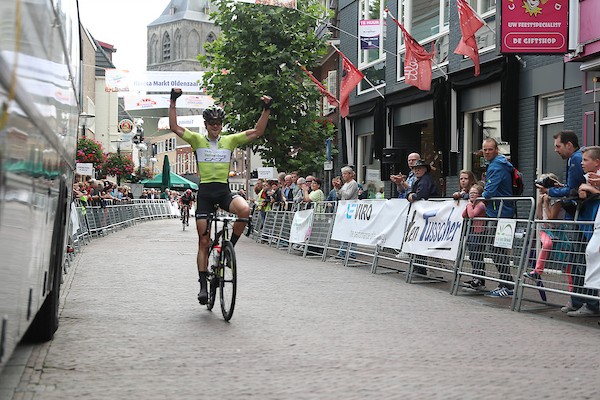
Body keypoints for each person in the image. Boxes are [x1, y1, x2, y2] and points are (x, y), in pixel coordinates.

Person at [169, 87, 272, 305]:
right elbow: (174, 127)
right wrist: (173, 102)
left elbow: (257, 132)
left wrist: (266, 109)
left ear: (221, 125)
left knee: (244, 210)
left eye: (218, 124)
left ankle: (229, 248)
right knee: (203, 241)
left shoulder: (230, 140)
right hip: (205, 192)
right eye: (211, 124)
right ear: (206, 125)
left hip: (223, 191)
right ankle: (203, 285)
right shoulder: (197, 140)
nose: (215, 127)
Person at [565, 146, 600, 317]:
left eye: (586, 160)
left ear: (597, 162)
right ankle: (579, 300)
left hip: (592, 226)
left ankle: (592, 304)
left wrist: (591, 190)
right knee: (577, 262)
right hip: (586, 224)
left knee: (588, 263)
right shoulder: (588, 178)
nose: (582, 163)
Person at [480, 138, 516, 298]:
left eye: (490, 149)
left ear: (496, 150)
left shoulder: (496, 166)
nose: (487, 152)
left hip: (500, 213)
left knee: (496, 249)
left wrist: (479, 196)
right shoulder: (497, 164)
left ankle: (507, 284)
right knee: (498, 249)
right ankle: (506, 283)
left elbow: (489, 192)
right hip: (501, 212)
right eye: (485, 150)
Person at [523, 173, 570, 281]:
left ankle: (574, 289)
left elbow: (551, 219)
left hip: (558, 231)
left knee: (567, 260)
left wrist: (545, 202)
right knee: (547, 244)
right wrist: (540, 204)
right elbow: (540, 218)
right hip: (545, 230)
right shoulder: (543, 198)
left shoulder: (556, 199)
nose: (540, 189)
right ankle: (537, 271)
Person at [538, 130, 586, 219]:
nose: (555, 150)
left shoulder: (575, 159)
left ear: (568, 145)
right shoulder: (578, 157)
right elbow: (576, 186)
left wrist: (548, 191)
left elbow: (572, 190)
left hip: (581, 211)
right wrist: (562, 186)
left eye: (558, 146)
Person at [462, 184, 487, 289]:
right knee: (472, 256)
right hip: (472, 231)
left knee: (477, 256)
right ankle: (475, 277)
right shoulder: (472, 204)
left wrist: (468, 205)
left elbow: (472, 215)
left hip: (479, 232)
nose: (471, 195)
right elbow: (464, 215)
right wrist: (469, 205)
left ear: (479, 194)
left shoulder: (480, 204)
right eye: (470, 193)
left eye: (474, 193)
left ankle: (479, 279)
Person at [337, 166, 359, 259]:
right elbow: (339, 196)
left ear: (350, 174)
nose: (343, 176)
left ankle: (351, 252)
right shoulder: (345, 185)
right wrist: (337, 188)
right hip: (345, 209)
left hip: (351, 209)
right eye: (343, 174)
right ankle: (343, 251)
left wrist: (340, 189)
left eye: (345, 174)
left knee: (351, 230)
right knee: (344, 230)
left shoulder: (353, 184)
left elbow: (347, 195)